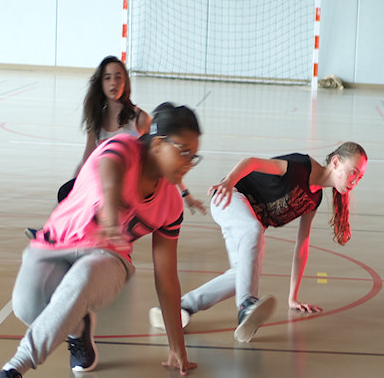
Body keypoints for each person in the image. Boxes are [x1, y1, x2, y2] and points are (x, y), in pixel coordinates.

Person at [0, 102, 202, 378]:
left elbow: (166, 278)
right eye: (184, 151)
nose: (189, 163)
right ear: (157, 143)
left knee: (83, 277)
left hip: (110, 259)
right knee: (27, 307)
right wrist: (112, 215)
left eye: (194, 156)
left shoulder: (171, 206)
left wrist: (176, 346)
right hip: (55, 242)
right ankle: (80, 328)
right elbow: (109, 173)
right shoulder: (124, 146)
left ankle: (10, 372)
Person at [157, 142, 368, 343]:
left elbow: (302, 247)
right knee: (253, 230)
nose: (355, 181)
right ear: (336, 162)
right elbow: (252, 162)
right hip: (229, 197)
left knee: (241, 275)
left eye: (360, 177)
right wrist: (228, 181)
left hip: (244, 222)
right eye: (353, 172)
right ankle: (246, 305)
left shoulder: (314, 200)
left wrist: (292, 298)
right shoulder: (300, 166)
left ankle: (179, 307)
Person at [57, 56, 205, 212]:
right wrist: (75, 186)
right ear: (101, 83)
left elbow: (163, 159)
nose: (113, 83)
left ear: (125, 82)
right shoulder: (96, 120)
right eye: (107, 78)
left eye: (118, 77)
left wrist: (185, 193)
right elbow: (87, 159)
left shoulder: (140, 119)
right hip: (102, 186)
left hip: (130, 190)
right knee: (67, 196)